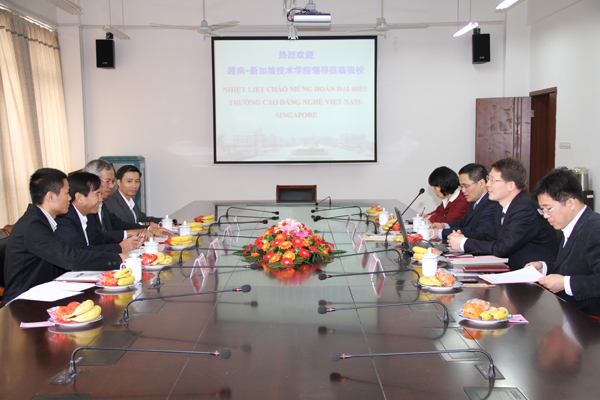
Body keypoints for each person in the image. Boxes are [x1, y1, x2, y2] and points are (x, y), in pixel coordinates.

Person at [2, 168, 124, 306]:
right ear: (50, 196)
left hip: (45, 294)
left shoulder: (44, 220)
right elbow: (70, 257)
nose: (70, 198)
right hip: (23, 303)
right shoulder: (33, 226)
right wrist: (118, 259)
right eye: (66, 193)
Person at [448, 157, 558, 270]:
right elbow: (490, 236)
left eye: (493, 180)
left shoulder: (524, 209)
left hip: (534, 274)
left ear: (511, 185)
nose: (488, 184)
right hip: (514, 269)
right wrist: (460, 237)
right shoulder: (504, 205)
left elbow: (502, 248)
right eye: (488, 179)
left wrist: (463, 243)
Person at [526, 167, 600, 316]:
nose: (545, 215)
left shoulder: (594, 229)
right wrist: (545, 267)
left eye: (549, 208)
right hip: (567, 311)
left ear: (571, 203)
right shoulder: (571, 225)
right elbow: (578, 267)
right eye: (542, 210)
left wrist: (566, 283)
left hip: (588, 319)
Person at [55, 172, 144, 253]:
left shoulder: (89, 215)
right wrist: (119, 248)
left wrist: (129, 239)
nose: (101, 199)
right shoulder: (64, 219)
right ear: (79, 197)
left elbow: (100, 238)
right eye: (97, 194)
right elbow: (79, 252)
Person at [83, 160, 172, 240]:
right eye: (107, 181)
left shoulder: (102, 205)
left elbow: (119, 224)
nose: (111, 186)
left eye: (112, 181)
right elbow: (100, 237)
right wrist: (127, 237)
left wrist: (150, 228)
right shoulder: (94, 207)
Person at [430, 163, 499, 240]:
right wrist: (445, 226)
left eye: (466, 186)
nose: (463, 190)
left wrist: (440, 233)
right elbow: (463, 223)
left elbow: (478, 231)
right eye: (461, 186)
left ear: (481, 183)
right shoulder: (474, 201)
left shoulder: (493, 204)